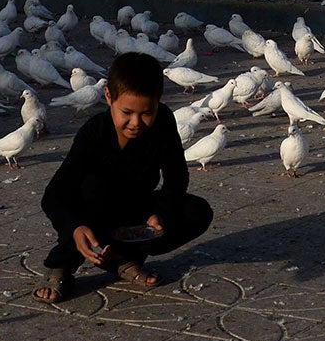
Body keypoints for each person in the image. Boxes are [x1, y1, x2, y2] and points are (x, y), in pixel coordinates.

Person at [36, 51, 212, 302]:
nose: (136, 122)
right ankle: (62, 266)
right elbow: (55, 193)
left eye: (146, 113)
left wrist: (158, 214)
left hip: (135, 210)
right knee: (86, 202)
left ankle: (122, 259)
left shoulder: (163, 121)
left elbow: (177, 177)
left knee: (197, 211)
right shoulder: (94, 132)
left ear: (158, 101)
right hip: (92, 212)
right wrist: (74, 228)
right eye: (127, 112)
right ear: (109, 97)